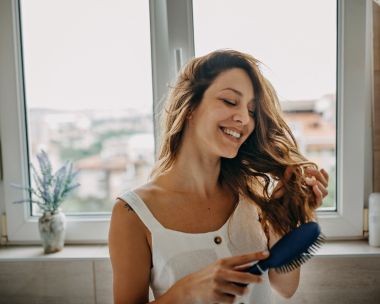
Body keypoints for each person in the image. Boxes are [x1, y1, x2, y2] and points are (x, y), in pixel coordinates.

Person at [108, 49, 329, 304]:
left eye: (252, 111)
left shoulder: (252, 195)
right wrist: (185, 293)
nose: (244, 118)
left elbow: (285, 287)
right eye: (229, 101)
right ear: (190, 107)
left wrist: (285, 220)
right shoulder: (133, 215)